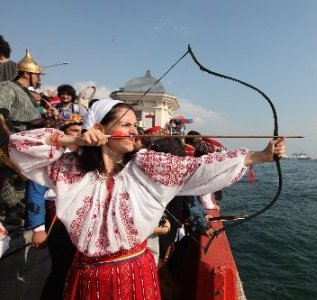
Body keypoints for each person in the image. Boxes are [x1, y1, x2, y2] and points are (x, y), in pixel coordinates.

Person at [8, 99, 286, 299]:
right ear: (100, 129)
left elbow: (196, 168)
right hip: (89, 275)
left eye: (135, 124)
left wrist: (259, 156)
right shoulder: (71, 167)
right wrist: (73, 141)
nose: (134, 130)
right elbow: (17, 145)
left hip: (135, 272)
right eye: (125, 124)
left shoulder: (145, 164)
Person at [26, 113, 83, 300]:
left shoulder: (88, 156)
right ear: (62, 133)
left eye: (81, 131)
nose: (79, 135)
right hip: (56, 217)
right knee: (62, 268)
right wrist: (38, 228)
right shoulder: (49, 156)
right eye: (74, 131)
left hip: (83, 217)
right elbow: (35, 192)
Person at [0, 49, 44, 225]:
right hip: (9, 138)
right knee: (14, 176)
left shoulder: (28, 94)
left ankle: (19, 210)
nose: (39, 79)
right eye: (37, 75)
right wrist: (11, 136)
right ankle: (10, 210)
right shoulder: (7, 87)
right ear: (27, 73)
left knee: (26, 177)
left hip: (27, 139)